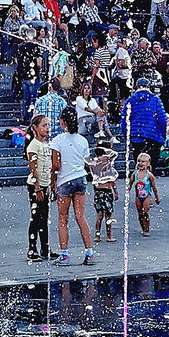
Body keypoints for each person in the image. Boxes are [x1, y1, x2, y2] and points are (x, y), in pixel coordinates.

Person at [48, 106, 93, 266]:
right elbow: (87, 164)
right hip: (80, 178)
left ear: (62, 122)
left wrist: (52, 182)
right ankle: (89, 252)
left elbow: (55, 165)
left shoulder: (57, 140)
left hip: (64, 181)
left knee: (62, 218)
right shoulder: (83, 140)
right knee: (80, 216)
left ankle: (65, 255)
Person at [25, 113, 57, 261]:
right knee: (36, 217)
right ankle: (32, 249)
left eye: (48, 125)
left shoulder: (46, 144)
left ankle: (45, 248)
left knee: (44, 218)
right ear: (35, 128)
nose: (47, 128)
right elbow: (33, 169)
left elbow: (49, 166)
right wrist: (37, 188)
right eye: (44, 125)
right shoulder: (33, 145)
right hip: (35, 186)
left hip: (46, 185)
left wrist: (51, 184)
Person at [89, 140, 119, 243]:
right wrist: (115, 191)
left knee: (99, 215)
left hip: (98, 191)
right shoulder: (107, 162)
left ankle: (97, 236)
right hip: (107, 190)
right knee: (108, 215)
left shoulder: (95, 162)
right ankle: (109, 236)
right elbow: (111, 180)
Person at [132, 152, 159, 237]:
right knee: (140, 213)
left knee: (145, 212)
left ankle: (147, 228)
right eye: (139, 161)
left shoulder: (149, 175)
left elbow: (154, 187)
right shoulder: (135, 174)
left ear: (148, 164)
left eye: (143, 161)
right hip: (138, 196)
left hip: (147, 196)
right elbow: (130, 183)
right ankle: (143, 227)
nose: (140, 163)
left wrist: (157, 198)